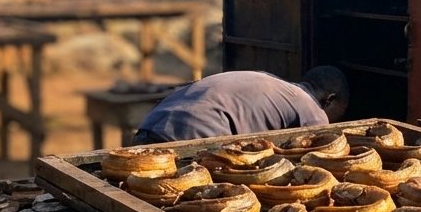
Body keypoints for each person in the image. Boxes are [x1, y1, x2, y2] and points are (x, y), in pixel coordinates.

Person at [130, 66, 349, 144]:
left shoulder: (268, 80)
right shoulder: (312, 111)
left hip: (149, 127)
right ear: (330, 100)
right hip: (190, 137)